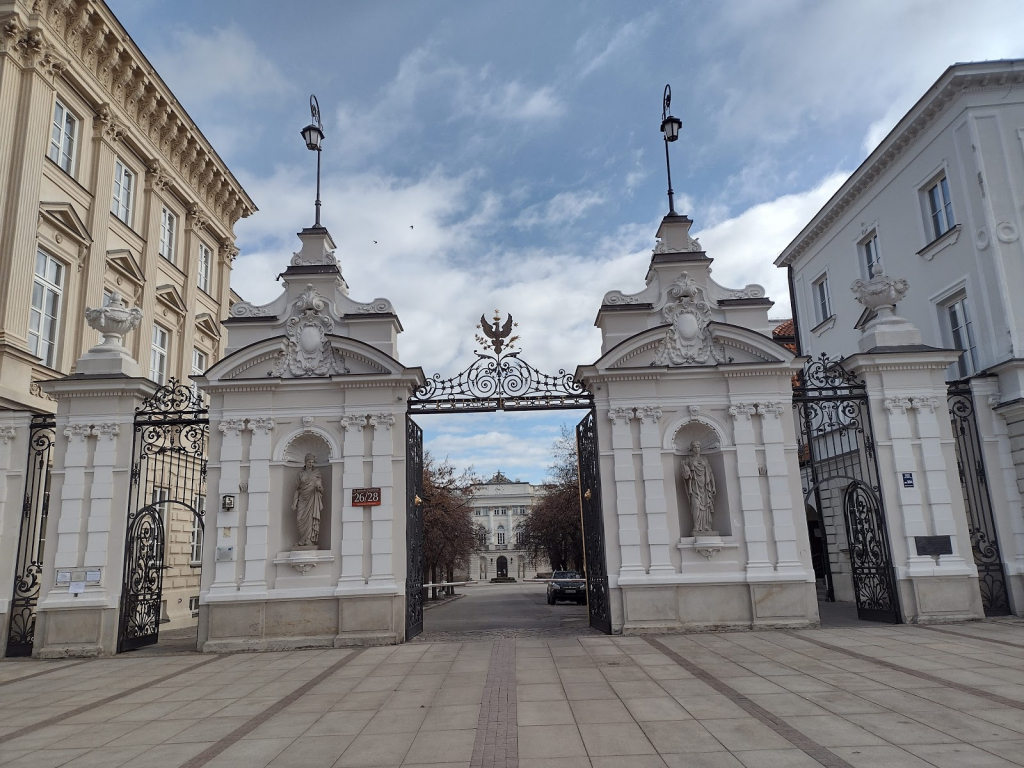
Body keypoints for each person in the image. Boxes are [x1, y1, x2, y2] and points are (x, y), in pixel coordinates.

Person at [680, 440, 716, 533]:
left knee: (706, 506)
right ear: (692, 448)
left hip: (705, 487)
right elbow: (686, 475)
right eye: (695, 447)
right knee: (696, 505)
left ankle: (706, 526)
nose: (697, 449)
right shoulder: (689, 460)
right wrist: (685, 470)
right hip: (694, 486)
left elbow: (710, 473)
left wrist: (714, 486)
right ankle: (696, 526)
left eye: (698, 446)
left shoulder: (705, 459)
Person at [293, 453, 323, 546]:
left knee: (310, 518)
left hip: (312, 498)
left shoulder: (316, 473)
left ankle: (308, 539)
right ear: (305, 462)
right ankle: (302, 539)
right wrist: (294, 502)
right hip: (302, 498)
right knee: (299, 519)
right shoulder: (301, 474)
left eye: (312, 462)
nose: (310, 463)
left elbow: (321, 488)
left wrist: (319, 488)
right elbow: (297, 489)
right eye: (308, 462)